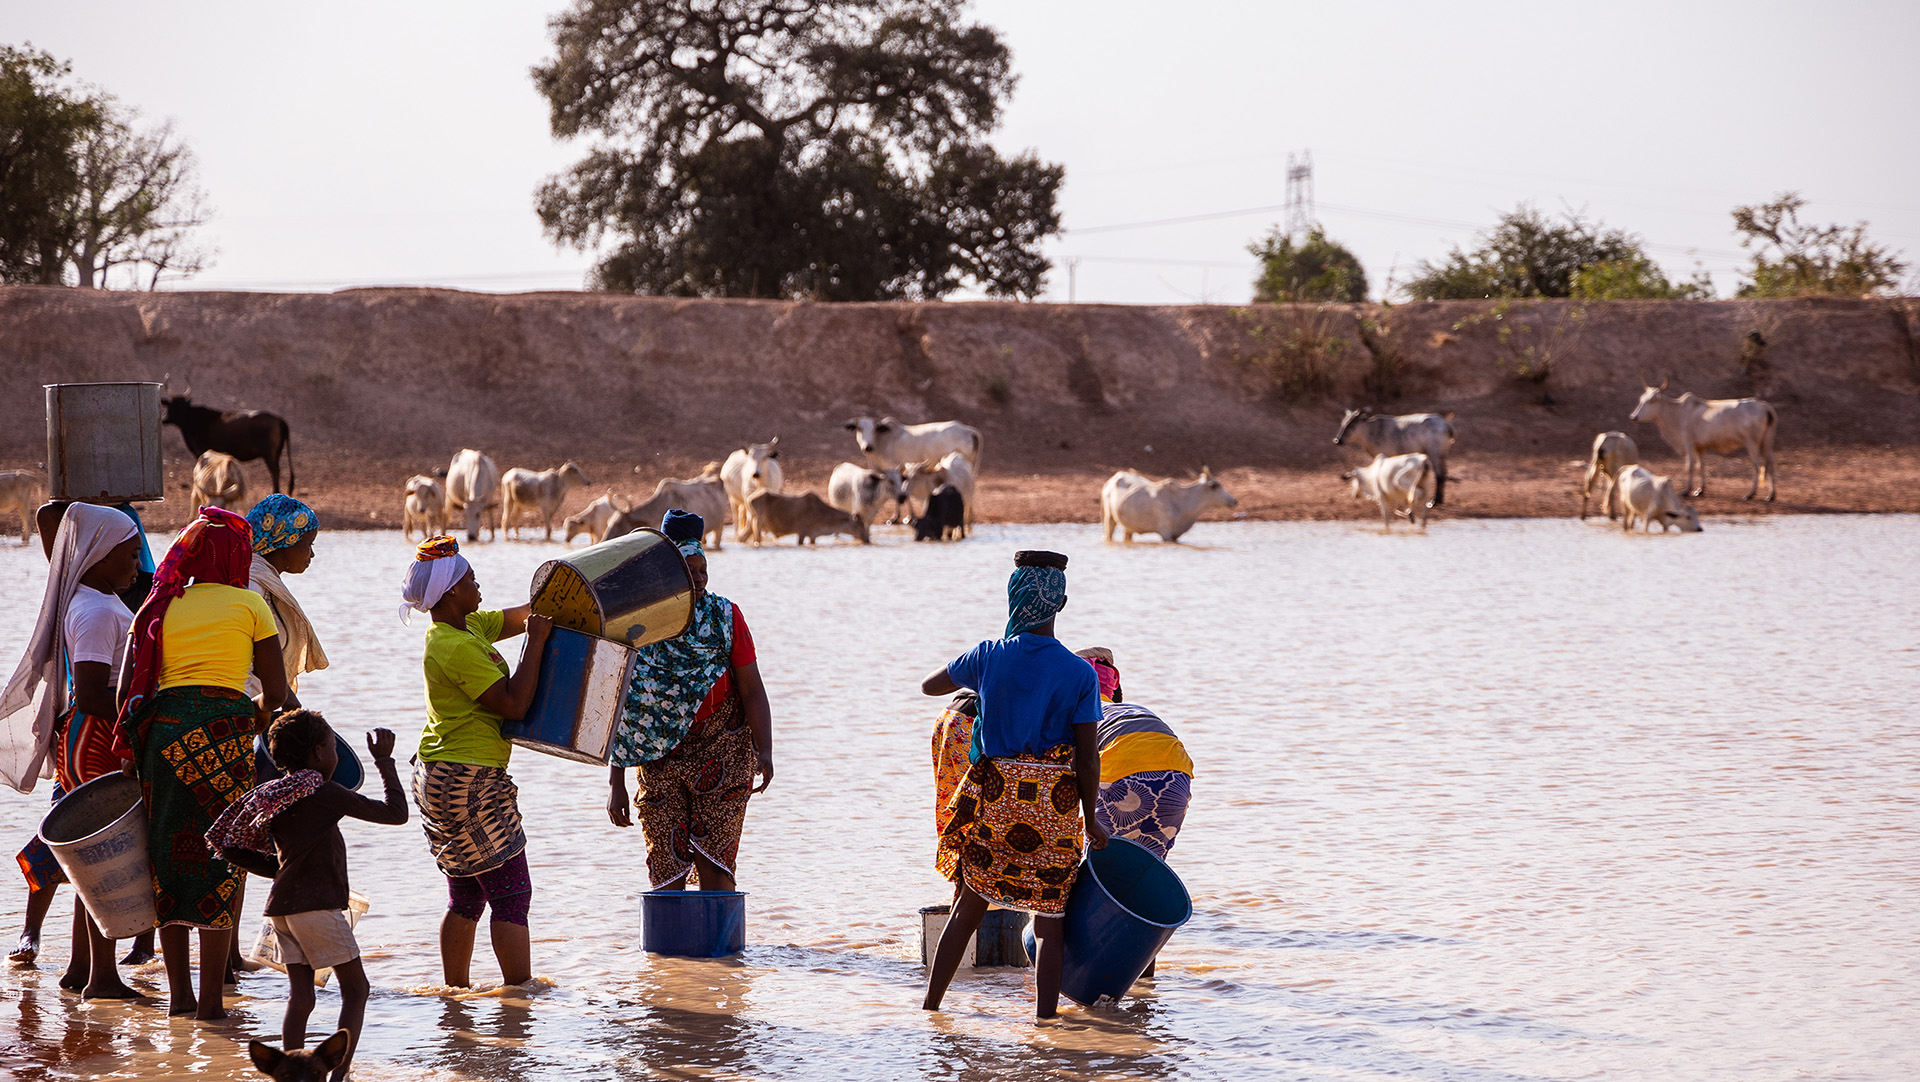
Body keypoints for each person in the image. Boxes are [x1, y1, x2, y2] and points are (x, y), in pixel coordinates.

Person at [112, 506, 289, 1019]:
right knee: (224, 856)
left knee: (168, 856)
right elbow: (275, 691)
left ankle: (179, 1000)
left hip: (164, 737)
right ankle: (212, 1003)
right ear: (235, 554)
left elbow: (128, 691)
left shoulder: (161, 603)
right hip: (226, 733)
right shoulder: (249, 603)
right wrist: (254, 716)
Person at [918, 550, 1109, 1019]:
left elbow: (929, 686)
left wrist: (981, 678)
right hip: (1056, 806)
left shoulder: (988, 656)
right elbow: (1087, 759)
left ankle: (931, 1010)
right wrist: (1092, 820)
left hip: (997, 799)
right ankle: (1045, 1024)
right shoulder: (1080, 674)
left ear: (1013, 598)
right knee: (1050, 923)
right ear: (1059, 603)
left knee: (967, 908)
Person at [209, 710, 407, 1082]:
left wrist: (283, 870)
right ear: (318, 753)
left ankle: (288, 1072)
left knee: (301, 997)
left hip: (281, 909)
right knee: (356, 989)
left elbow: (229, 845)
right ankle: (337, 1076)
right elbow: (395, 814)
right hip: (315, 907)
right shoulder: (321, 790)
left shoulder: (276, 793)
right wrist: (384, 762)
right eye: (333, 747)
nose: (335, 755)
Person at [0, 504, 147, 997]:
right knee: (97, 857)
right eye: (128, 555)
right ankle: (101, 979)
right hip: (96, 735)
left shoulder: (90, 598)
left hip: (91, 734)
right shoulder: (97, 610)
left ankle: (82, 970)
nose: (135, 564)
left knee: (91, 855)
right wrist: (142, 718)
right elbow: (90, 692)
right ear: (100, 556)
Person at [401, 536, 551, 989]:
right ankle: (521, 1002)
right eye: (469, 579)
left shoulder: (466, 629)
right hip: (468, 777)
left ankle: (455, 997)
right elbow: (514, 704)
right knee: (511, 894)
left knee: (466, 893)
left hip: (442, 773)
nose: (477, 583)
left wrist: (555, 603)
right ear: (449, 593)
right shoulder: (454, 645)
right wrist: (537, 643)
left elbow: (521, 616)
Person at [606, 510, 774, 893]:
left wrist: (765, 749)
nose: (698, 579)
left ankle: (718, 952)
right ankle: (672, 950)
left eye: (703, 570)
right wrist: (616, 781)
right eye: (688, 570)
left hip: (724, 752)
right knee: (665, 870)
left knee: (715, 867)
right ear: (667, 574)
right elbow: (623, 704)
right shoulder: (642, 625)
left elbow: (751, 688)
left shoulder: (724, 618)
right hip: (658, 757)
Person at [1074, 647, 1194, 862]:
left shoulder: (1079, 714)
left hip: (1124, 773)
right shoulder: (1131, 709)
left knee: (1097, 862)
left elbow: (1078, 769)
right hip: (1177, 780)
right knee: (1146, 865)